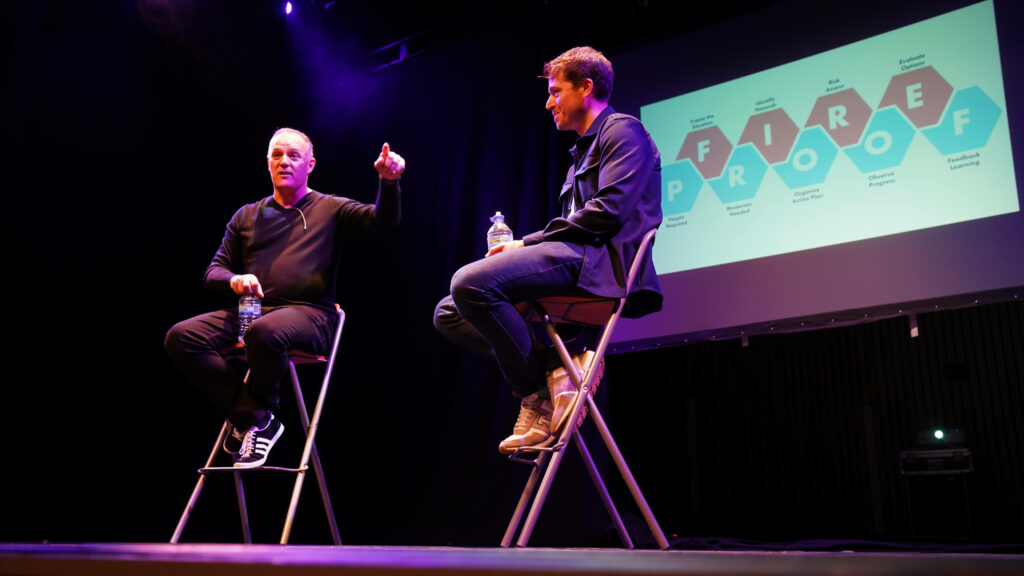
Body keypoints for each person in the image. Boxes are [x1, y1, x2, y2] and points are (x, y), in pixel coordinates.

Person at [433, 46, 663, 455]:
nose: (548, 102)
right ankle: (555, 373)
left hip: (601, 264)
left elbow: (607, 213)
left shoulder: (622, 131)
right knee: (449, 312)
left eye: (556, 91)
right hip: (577, 259)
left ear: (586, 87)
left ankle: (538, 390)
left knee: (468, 284)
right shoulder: (579, 157)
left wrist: (525, 243)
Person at [165, 127, 405, 468]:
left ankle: (251, 420)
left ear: (310, 164)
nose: (284, 161)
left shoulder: (330, 208)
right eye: (277, 155)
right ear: (267, 163)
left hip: (310, 315)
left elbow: (382, 222)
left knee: (264, 330)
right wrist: (235, 280)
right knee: (181, 337)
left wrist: (389, 183)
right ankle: (254, 418)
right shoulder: (247, 215)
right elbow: (213, 271)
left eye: (293, 155)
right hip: (253, 312)